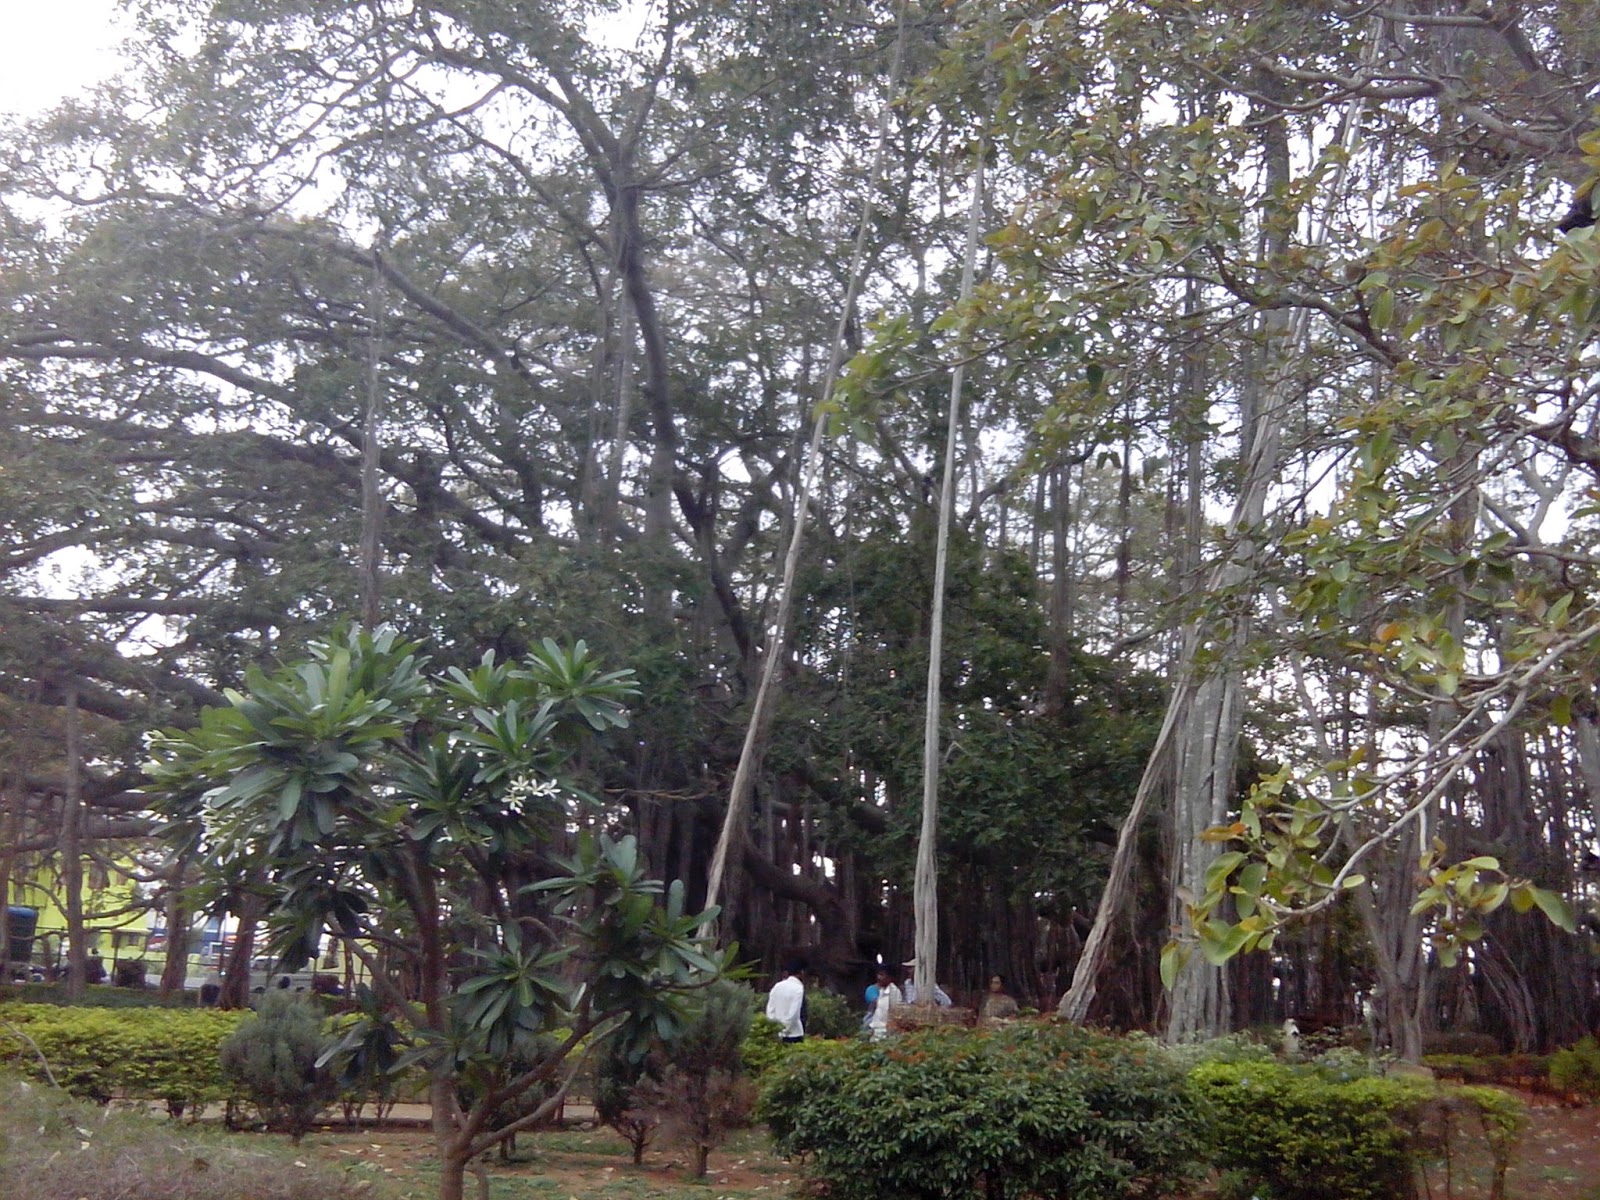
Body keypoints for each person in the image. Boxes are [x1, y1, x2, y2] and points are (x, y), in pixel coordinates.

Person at [765, 958, 806, 1043]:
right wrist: (785, 1029)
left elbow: (770, 1009)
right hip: (794, 1034)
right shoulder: (798, 989)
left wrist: (774, 1028)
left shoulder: (777, 986)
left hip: (775, 1032)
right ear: (801, 972)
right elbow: (794, 1013)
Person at [868, 965, 902, 1040]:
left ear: (889, 977)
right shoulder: (881, 991)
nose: (879, 977)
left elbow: (895, 1014)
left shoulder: (894, 992)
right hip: (876, 1031)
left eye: (882, 975)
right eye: (878, 974)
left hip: (886, 1033)